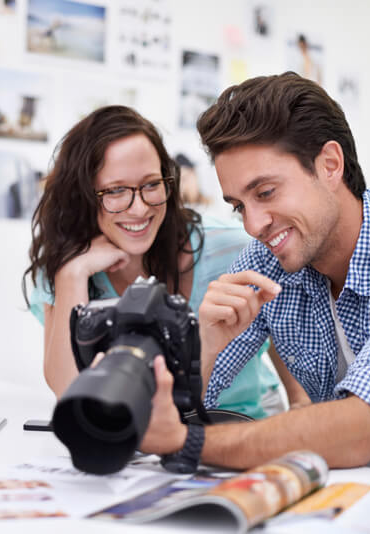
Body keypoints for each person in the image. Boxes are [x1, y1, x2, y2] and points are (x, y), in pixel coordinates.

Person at [139, 72, 370, 478]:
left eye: (265, 193)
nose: (254, 224)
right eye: (239, 206)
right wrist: (204, 346)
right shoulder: (266, 261)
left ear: (330, 165)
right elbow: (169, 407)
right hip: (363, 479)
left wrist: (187, 442)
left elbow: (363, 425)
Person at [23, 105, 284, 420]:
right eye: (116, 190)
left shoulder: (233, 248)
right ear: (83, 196)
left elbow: (285, 321)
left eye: (150, 184)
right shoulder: (65, 268)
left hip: (241, 420)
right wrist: (73, 274)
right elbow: (70, 391)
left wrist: (299, 402)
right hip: (140, 438)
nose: (139, 208)